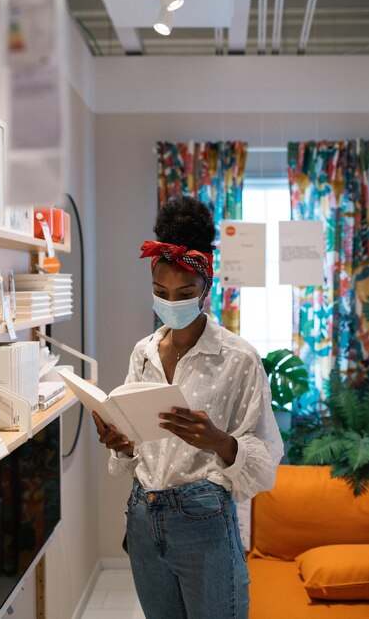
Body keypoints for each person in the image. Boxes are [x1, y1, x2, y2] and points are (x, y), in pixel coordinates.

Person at [92, 195, 284, 619]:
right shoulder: (142, 353)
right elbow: (137, 446)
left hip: (204, 520)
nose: (171, 301)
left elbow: (267, 459)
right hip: (142, 517)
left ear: (207, 290)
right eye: (161, 292)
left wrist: (219, 441)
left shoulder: (239, 359)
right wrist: (119, 442)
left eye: (185, 292)